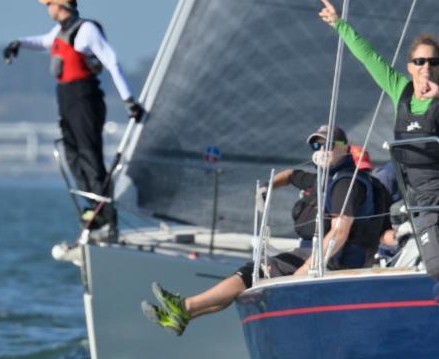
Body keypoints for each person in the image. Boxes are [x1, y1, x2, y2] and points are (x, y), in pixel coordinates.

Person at [141, 125, 387, 335]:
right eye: (317, 146)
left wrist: (305, 271)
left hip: (336, 261)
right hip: (318, 253)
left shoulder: (345, 183)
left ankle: (185, 309)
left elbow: (339, 233)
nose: (322, 151)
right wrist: (268, 187)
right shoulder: (323, 178)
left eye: (329, 145)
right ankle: (184, 312)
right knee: (250, 278)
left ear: (345, 147)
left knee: (254, 271)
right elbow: (292, 175)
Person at [318, 0, 439, 281]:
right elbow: (368, 57)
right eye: (419, 61)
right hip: (425, 197)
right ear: (410, 65)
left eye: (432, 61)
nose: (426, 66)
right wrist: (339, 24)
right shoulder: (399, 88)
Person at [3, 0, 145, 239]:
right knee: (73, 158)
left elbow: (111, 60)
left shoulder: (86, 30)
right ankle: (93, 211)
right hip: (66, 98)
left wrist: (129, 101)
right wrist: (19, 44)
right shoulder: (60, 31)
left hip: (84, 98)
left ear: (60, 6)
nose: (47, 8)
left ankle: (107, 220)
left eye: (49, 4)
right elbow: (43, 42)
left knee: (90, 157)